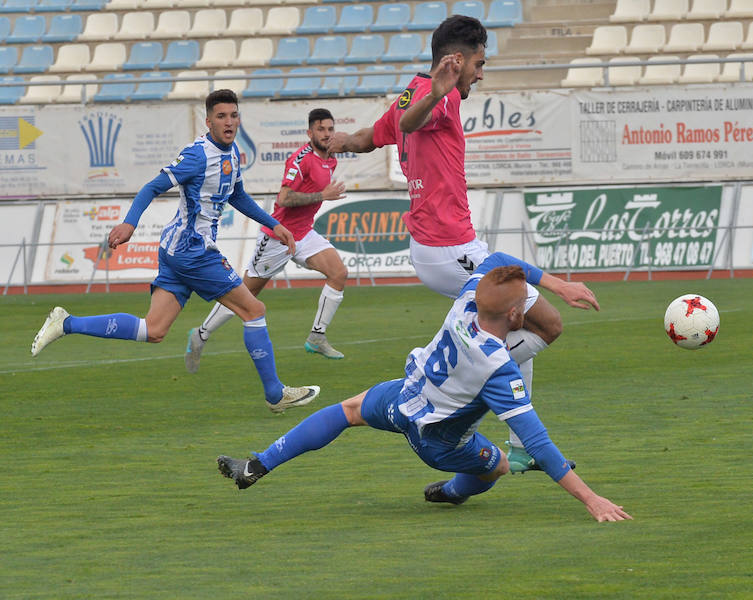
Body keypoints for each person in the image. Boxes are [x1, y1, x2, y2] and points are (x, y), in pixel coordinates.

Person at [326, 15, 593, 472]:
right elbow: (410, 122)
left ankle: (517, 439)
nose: (481, 73)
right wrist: (437, 89)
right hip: (449, 249)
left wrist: (341, 142)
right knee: (548, 324)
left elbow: (375, 136)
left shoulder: (417, 91)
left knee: (513, 322)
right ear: (455, 60)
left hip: (441, 247)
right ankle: (449, 382)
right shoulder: (439, 96)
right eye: (479, 63)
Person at [217, 253, 632, 524]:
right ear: (514, 315)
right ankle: (451, 493)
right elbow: (537, 441)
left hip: (405, 395)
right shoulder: (497, 367)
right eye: (525, 302)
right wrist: (591, 500)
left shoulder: (469, 299)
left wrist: (554, 285)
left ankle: (255, 466)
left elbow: (499, 261)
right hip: (440, 441)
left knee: (348, 410)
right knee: (500, 466)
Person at [30, 89, 319, 414]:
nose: (229, 122)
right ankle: (275, 394)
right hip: (193, 251)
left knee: (153, 330)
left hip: (176, 250)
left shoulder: (233, 152)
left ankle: (66, 323)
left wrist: (273, 224)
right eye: (221, 117)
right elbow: (152, 186)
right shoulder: (197, 155)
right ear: (208, 121)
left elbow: (237, 195)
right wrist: (129, 224)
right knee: (254, 311)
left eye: (233, 115)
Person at [185, 108, 349, 372]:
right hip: (278, 236)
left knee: (339, 273)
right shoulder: (301, 159)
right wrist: (322, 195)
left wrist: (321, 195)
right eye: (321, 129)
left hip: (304, 233)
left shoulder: (330, 160)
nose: (327, 134)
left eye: (330, 129)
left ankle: (317, 336)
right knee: (245, 294)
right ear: (310, 133)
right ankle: (201, 334)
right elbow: (284, 198)